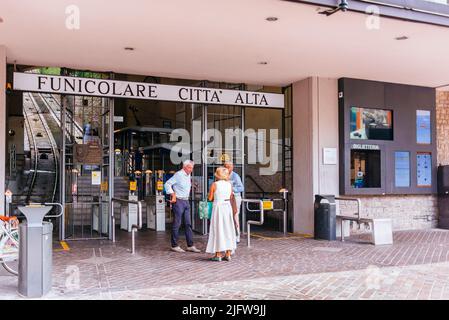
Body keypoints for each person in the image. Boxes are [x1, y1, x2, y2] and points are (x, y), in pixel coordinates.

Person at [164, 160, 201, 253]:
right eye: (189, 168)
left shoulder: (188, 175)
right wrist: (172, 194)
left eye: (192, 168)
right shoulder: (179, 174)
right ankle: (174, 245)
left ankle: (190, 245)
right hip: (179, 201)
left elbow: (183, 186)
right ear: (184, 167)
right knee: (177, 223)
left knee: (188, 224)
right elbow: (167, 184)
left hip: (186, 201)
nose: (191, 170)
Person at [206, 167, 237, 261]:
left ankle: (218, 254)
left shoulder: (214, 184)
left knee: (218, 229)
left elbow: (210, 198)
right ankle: (228, 254)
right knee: (228, 229)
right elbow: (231, 196)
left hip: (218, 207)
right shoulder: (229, 185)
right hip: (227, 207)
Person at [223, 161, 244, 243]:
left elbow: (241, 188)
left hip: (235, 198)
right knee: (227, 217)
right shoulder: (223, 175)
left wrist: (231, 189)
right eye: (226, 166)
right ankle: (228, 235)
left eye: (229, 166)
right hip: (226, 198)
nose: (227, 168)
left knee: (235, 216)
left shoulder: (235, 176)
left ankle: (237, 236)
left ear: (232, 167)